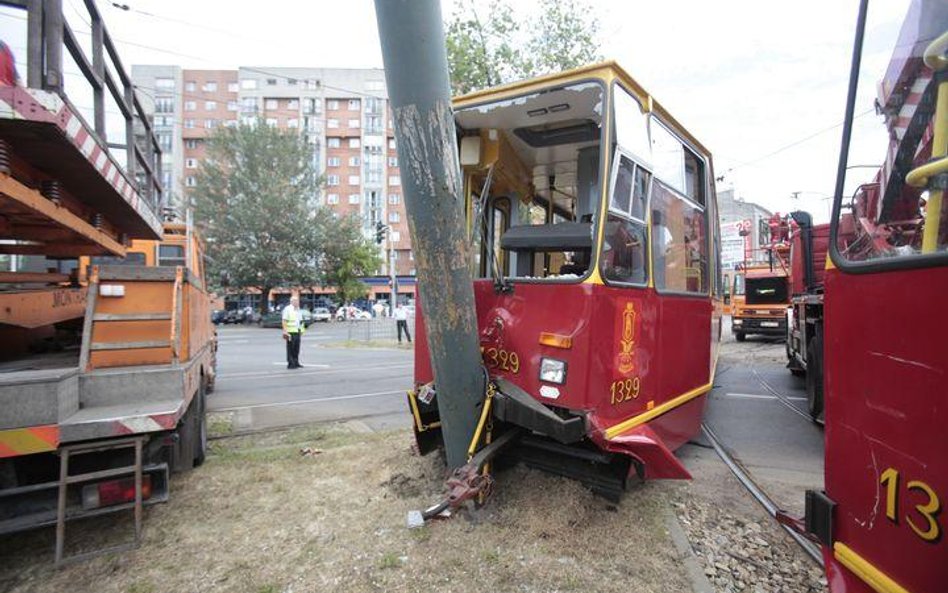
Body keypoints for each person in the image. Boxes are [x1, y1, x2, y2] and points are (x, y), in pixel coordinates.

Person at [281, 296, 305, 369]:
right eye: (296, 301)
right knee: (290, 348)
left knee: (296, 348)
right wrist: (285, 331)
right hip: (290, 332)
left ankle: (296, 362)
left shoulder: (298, 309)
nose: (297, 302)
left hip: (297, 331)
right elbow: (284, 320)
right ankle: (290, 363)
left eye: (297, 301)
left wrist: (302, 330)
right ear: (292, 302)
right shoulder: (287, 309)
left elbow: (300, 321)